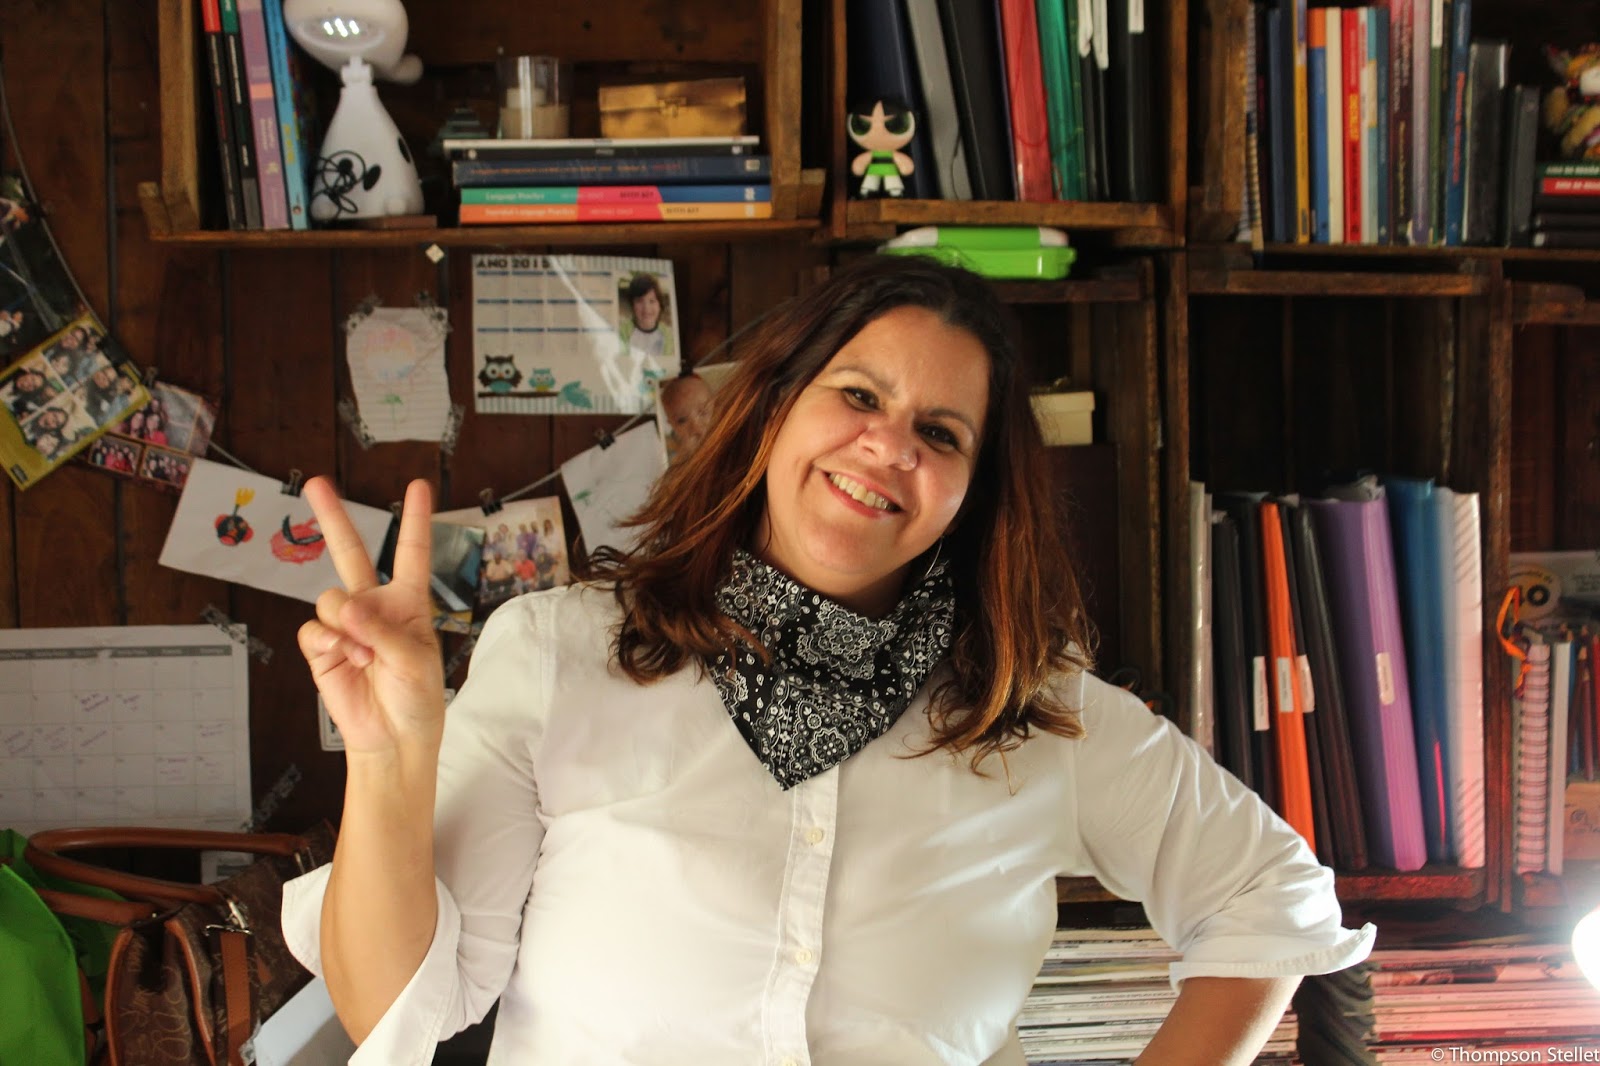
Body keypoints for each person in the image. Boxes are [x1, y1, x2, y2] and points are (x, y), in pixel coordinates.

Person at [284, 257, 1373, 1065]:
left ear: (972, 493)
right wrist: (386, 759)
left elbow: (1265, 892)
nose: (889, 446)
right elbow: (395, 1009)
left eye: (941, 434)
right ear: (771, 412)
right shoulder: (561, 655)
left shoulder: (1033, 710)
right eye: (858, 396)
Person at [618, 271, 674, 365]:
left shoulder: (667, 334)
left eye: (652, 301)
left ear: (660, 305)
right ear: (632, 305)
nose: (646, 308)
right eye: (639, 301)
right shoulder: (624, 331)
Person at [659, 369, 715, 459]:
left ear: (717, 407)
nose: (697, 428)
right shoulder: (676, 451)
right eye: (682, 420)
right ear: (672, 425)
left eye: (703, 412)